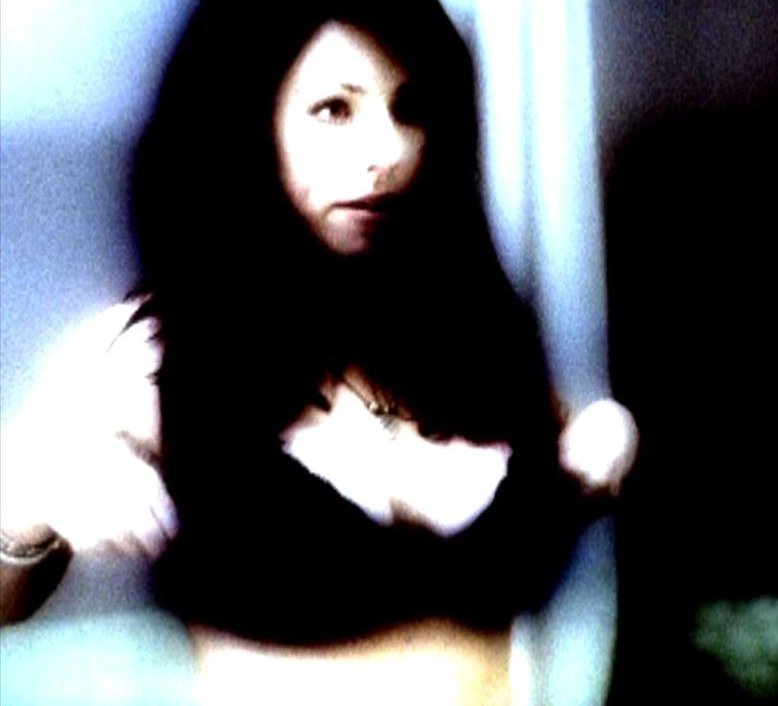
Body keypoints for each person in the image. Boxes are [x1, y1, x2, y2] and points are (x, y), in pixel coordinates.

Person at [0, 0, 637, 702]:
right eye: (335, 109)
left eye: (408, 108)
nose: (386, 150)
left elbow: (566, 458)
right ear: (249, 123)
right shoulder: (157, 352)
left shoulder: (467, 340)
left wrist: (602, 443)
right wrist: (36, 498)